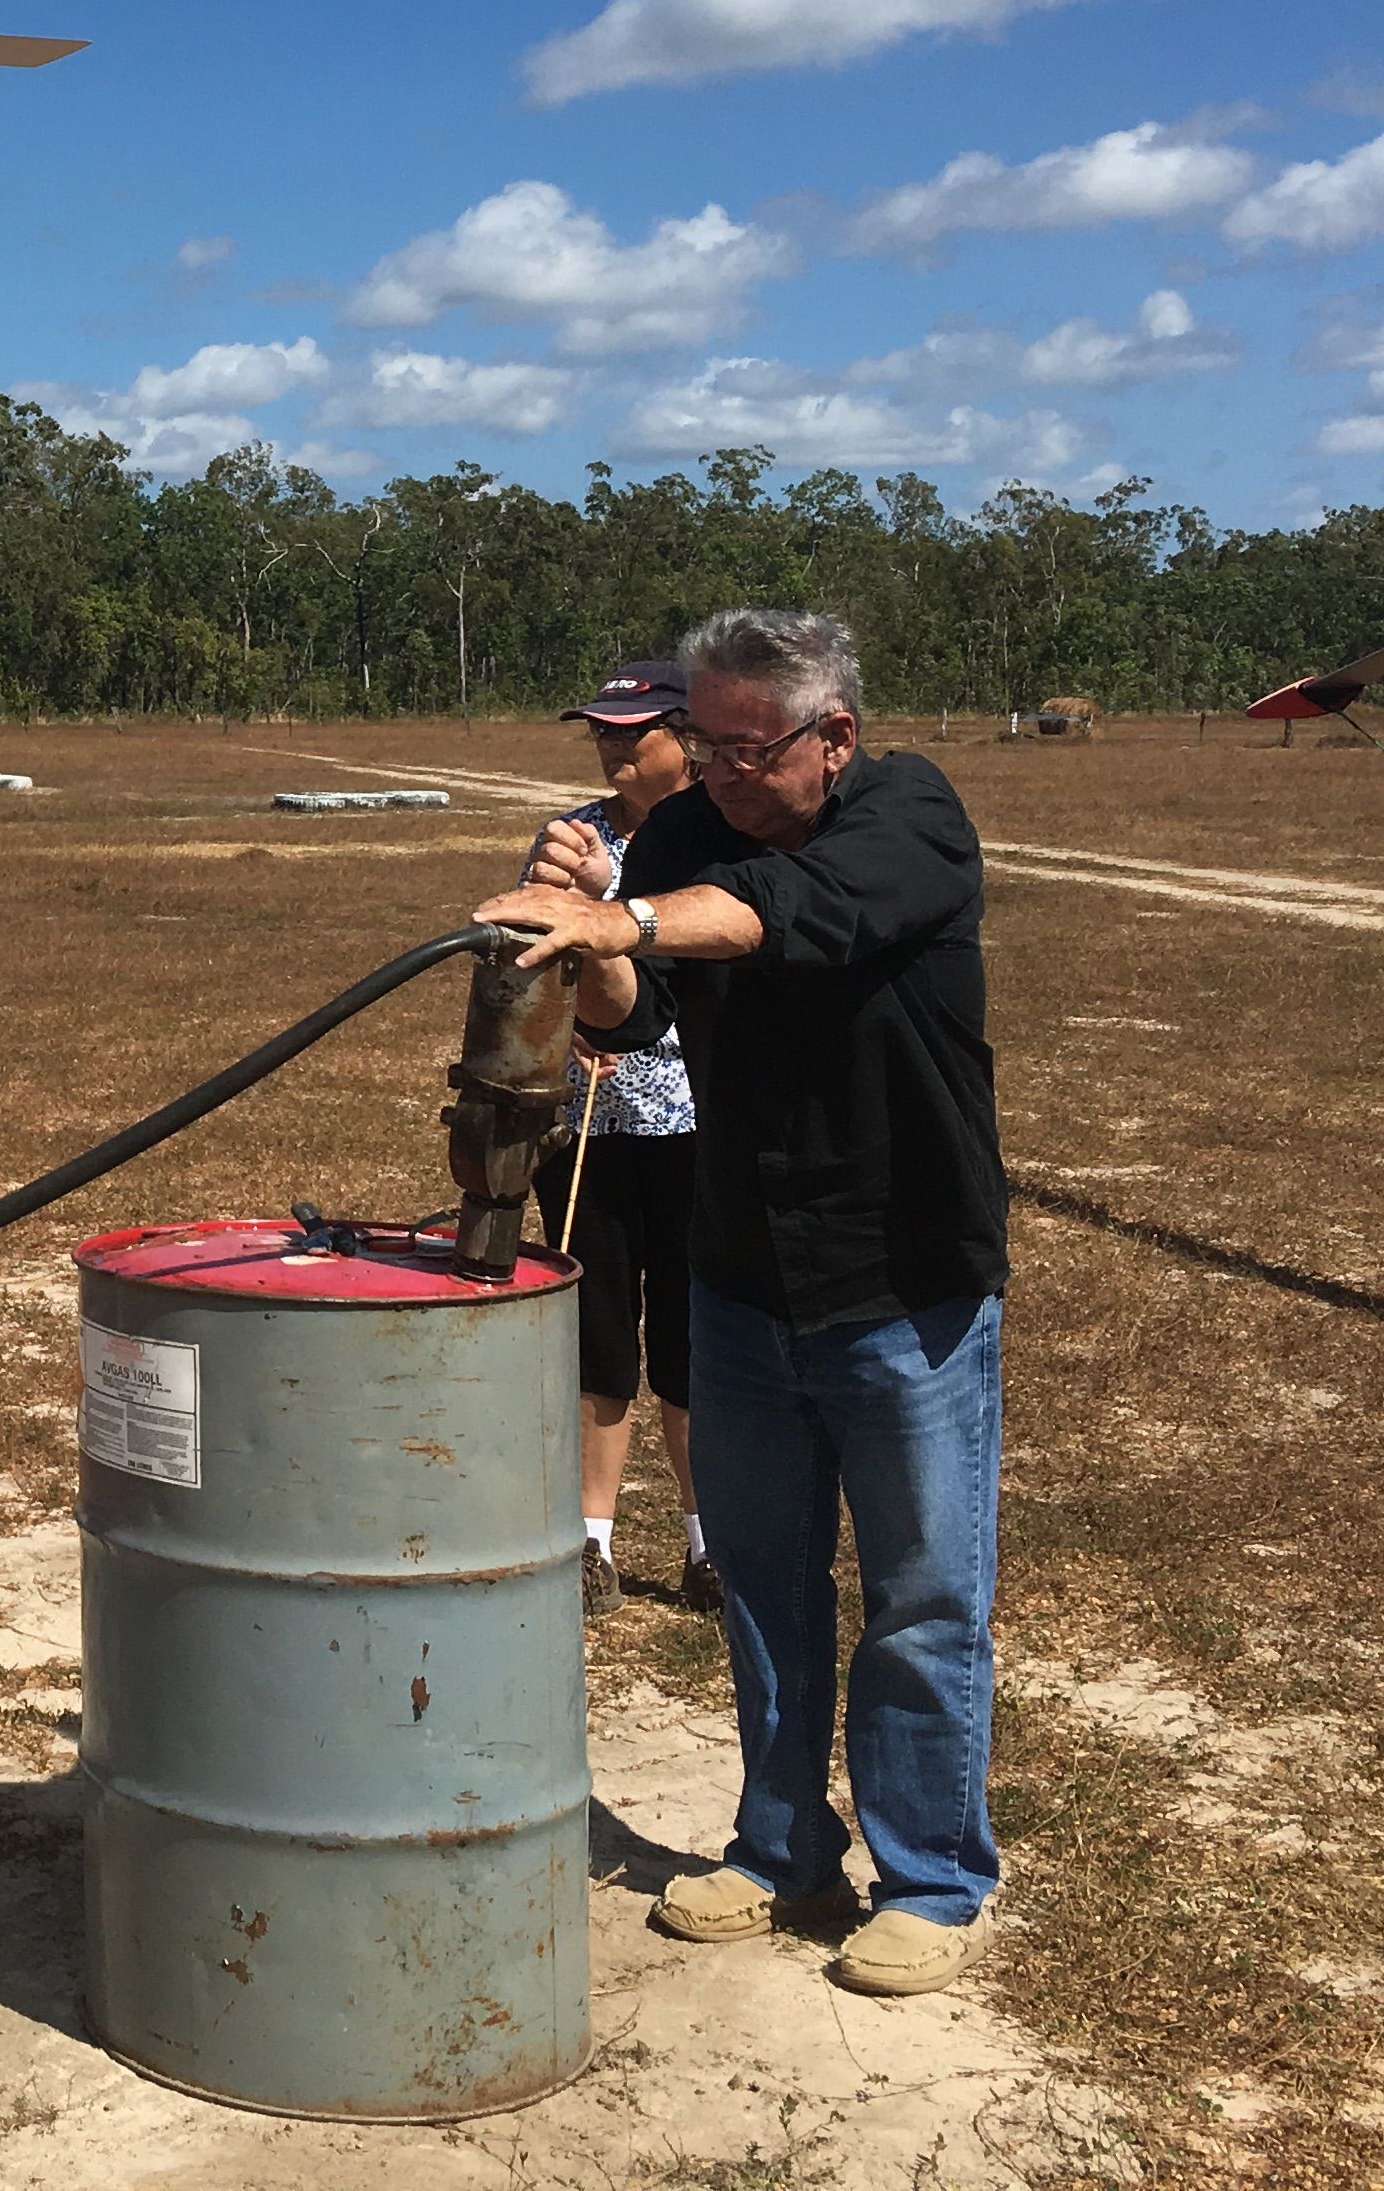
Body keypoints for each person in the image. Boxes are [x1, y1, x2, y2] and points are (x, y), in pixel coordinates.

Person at [475, 606, 1005, 2000]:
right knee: (765, 1585)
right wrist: (580, 942)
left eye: (743, 750)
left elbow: (800, 918)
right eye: (697, 745)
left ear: (832, 737)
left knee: (922, 1595)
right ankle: (780, 1852)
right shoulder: (682, 840)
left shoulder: (912, 815)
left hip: (905, 1279)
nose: (714, 773)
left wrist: (623, 910)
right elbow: (632, 1028)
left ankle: (935, 1879)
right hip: (745, 1276)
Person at [523, 659, 710, 1624]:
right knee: (598, 1337)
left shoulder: (719, 832)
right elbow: (539, 951)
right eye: (599, 729)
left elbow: (702, 942)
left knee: (691, 1336)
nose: (609, 746)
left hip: (692, 1123)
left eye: (630, 732)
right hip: (587, 1119)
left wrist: (616, 891)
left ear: (686, 739)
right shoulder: (570, 834)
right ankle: (591, 1546)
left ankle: (704, 1542)